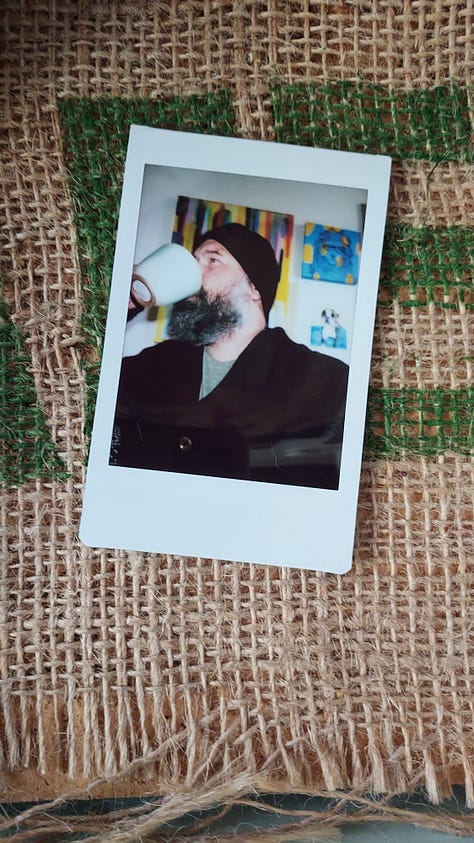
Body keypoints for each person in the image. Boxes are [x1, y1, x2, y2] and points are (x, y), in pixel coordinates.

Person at [112, 223, 349, 489]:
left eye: (212, 259)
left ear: (254, 287)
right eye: (193, 261)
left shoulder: (324, 381)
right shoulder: (155, 363)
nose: (194, 273)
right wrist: (121, 305)